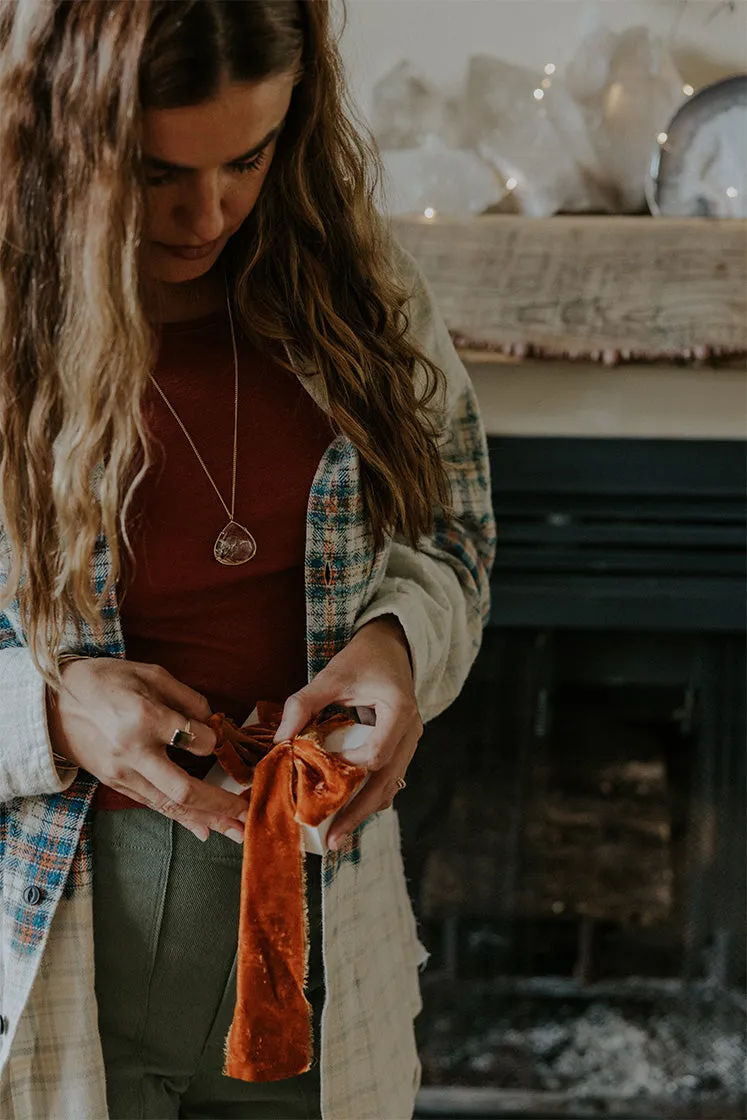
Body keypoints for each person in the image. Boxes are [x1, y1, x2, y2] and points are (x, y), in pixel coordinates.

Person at [0, 2, 496, 1118]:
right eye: (153, 170)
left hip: (329, 937)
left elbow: (453, 530)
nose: (208, 212)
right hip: (53, 960)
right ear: (65, 134)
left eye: (249, 157)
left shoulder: (361, 284)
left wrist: (397, 643)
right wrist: (51, 717)